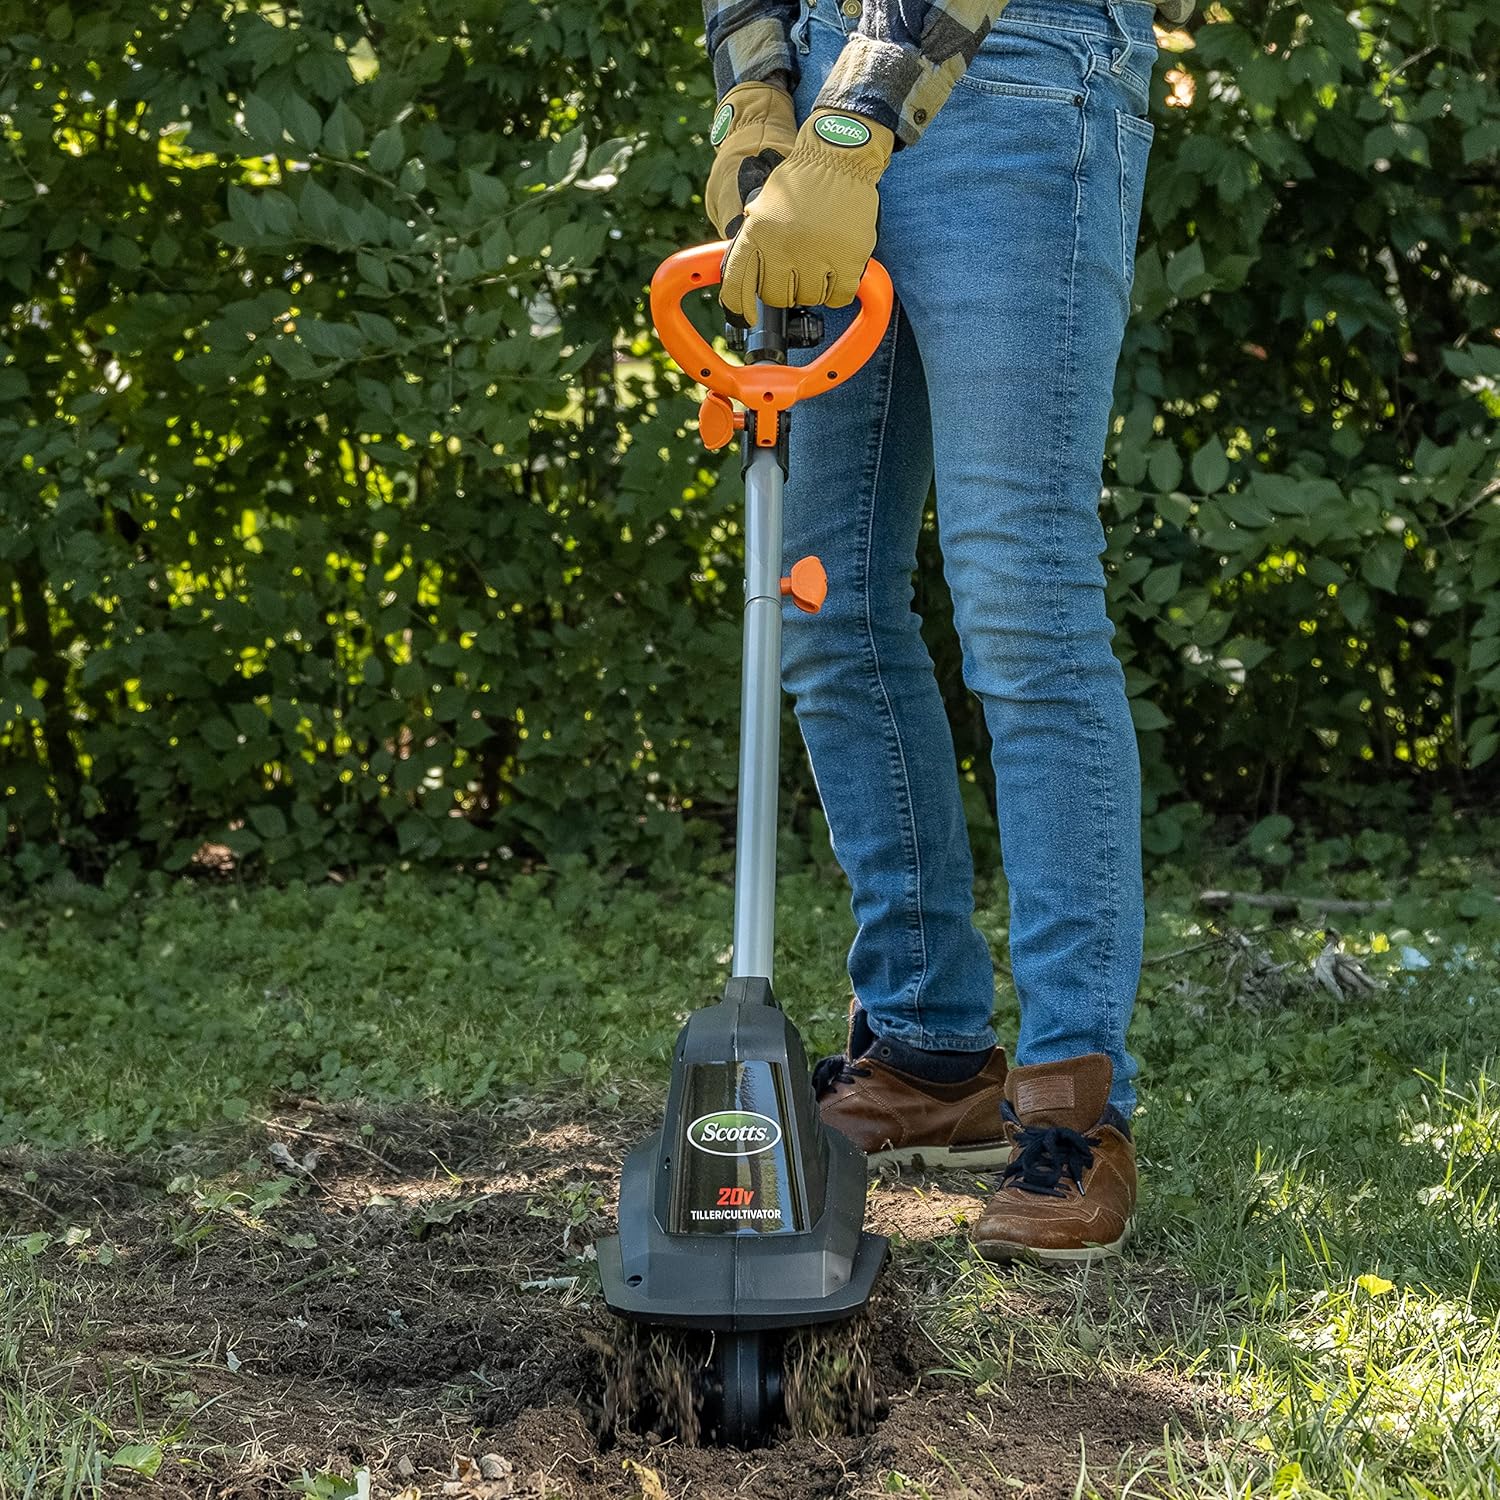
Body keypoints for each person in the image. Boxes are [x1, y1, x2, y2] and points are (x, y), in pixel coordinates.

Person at [699, 0, 1190, 1263]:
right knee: (822, 599)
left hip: (1014, 81)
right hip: (822, 98)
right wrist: (759, 97)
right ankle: (927, 1055)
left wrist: (853, 131)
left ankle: (1078, 1109)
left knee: (1020, 600)